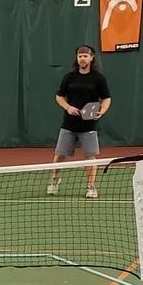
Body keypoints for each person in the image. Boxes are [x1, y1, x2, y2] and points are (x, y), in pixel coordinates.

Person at [48, 44, 111, 199]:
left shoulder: (98, 78)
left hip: (89, 125)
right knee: (59, 156)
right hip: (69, 124)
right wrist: (68, 107)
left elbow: (106, 98)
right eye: (80, 56)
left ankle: (91, 187)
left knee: (90, 157)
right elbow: (59, 96)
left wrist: (102, 110)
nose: (82, 59)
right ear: (77, 59)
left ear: (91, 58)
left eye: (85, 56)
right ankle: (55, 180)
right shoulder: (69, 77)